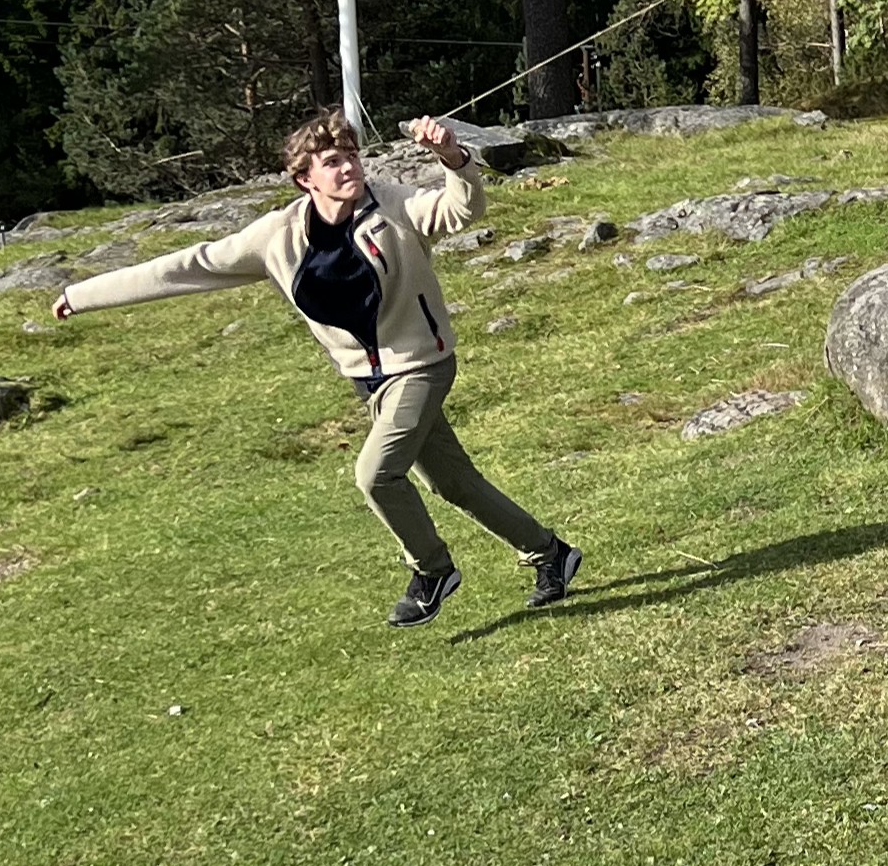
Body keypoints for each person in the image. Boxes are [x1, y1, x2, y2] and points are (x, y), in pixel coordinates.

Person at [51, 108, 579, 629]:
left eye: (352, 156)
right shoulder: (276, 236)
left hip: (422, 364)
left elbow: (458, 212)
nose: (349, 167)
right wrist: (81, 295)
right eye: (333, 161)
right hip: (369, 381)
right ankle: (550, 553)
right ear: (305, 178)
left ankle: (432, 572)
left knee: (376, 474)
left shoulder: (393, 204)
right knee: (455, 483)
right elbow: (189, 264)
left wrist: (454, 159)